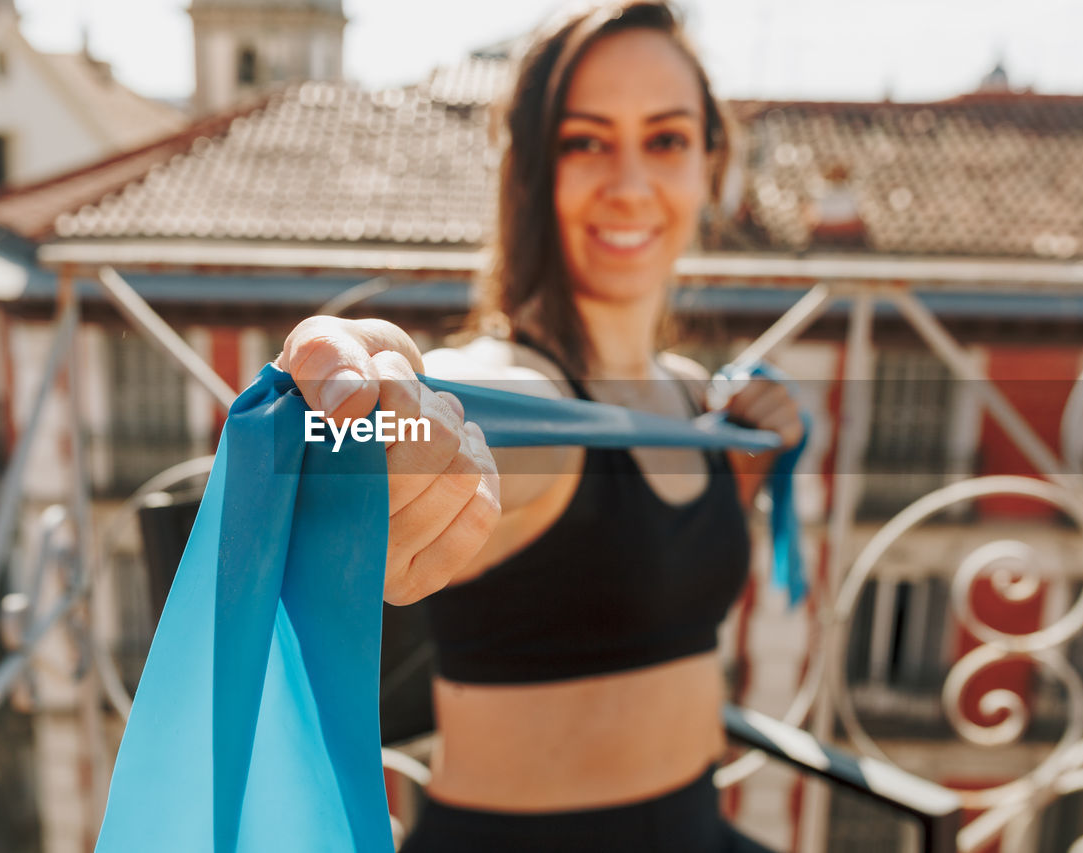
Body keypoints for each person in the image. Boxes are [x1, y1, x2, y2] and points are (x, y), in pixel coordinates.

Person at [276, 2, 803, 849]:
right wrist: (372, 419)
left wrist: (745, 446)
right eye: (585, 140)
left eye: (665, 139)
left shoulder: (690, 397)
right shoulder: (526, 395)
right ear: (530, 171)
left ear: (712, 163)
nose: (628, 182)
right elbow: (451, 420)